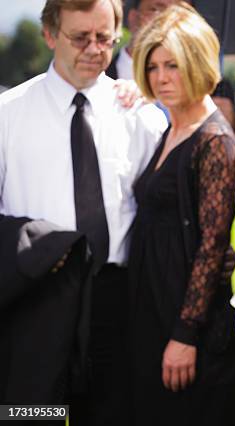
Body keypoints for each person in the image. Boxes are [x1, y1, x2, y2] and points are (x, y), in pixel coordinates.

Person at [0, 0, 167, 423]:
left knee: (113, 413)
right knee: (33, 414)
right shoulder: (8, 115)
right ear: (50, 35)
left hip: (116, 297)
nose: (94, 49)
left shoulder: (141, 115)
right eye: (80, 38)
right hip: (37, 296)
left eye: (105, 38)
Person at [128, 3, 235, 425]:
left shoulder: (215, 140)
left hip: (190, 325)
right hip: (152, 310)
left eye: (173, 65)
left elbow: (212, 246)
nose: (161, 77)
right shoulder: (171, 129)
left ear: (196, 62)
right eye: (154, 65)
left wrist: (185, 334)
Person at [106, 0, 235, 144]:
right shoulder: (100, 79)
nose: (167, 19)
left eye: (179, 12)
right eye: (156, 10)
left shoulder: (218, 90)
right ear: (133, 18)